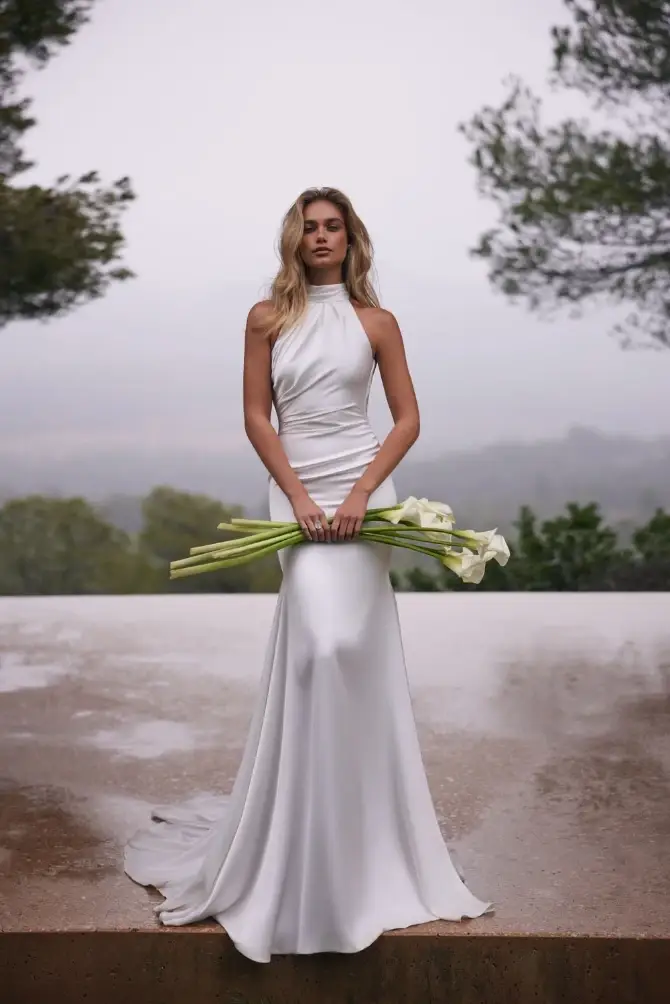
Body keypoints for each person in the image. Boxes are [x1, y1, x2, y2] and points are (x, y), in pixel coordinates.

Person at [124, 186, 492, 963]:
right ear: (294, 240)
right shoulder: (267, 318)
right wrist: (296, 496)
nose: (321, 238)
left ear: (352, 240)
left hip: (365, 493)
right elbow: (259, 416)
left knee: (350, 655)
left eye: (334, 227)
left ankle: (366, 845)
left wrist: (362, 493)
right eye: (309, 228)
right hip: (297, 489)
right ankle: (299, 845)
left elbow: (407, 419)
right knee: (316, 649)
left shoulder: (377, 323)